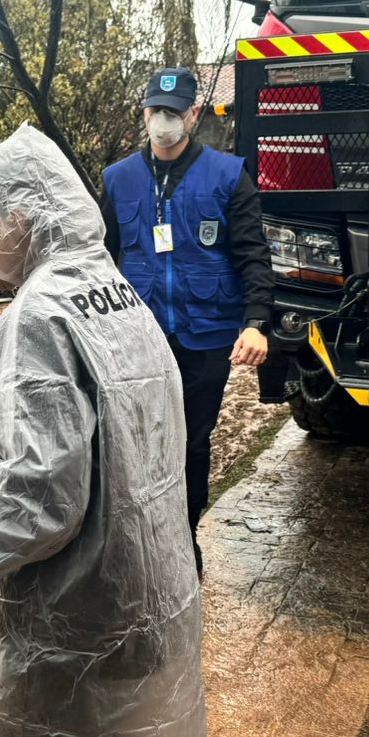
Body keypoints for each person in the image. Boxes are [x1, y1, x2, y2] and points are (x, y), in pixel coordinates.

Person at [0, 124, 205, 737]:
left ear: (23, 216)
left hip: (75, 620)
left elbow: (40, 501)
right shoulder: (117, 295)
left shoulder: (37, 321)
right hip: (150, 595)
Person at [100, 66, 274, 574]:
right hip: (140, 340)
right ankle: (138, 542)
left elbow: (252, 255)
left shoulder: (226, 175)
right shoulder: (118, 179)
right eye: (155, 111)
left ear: (193, 115)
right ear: (145, 113)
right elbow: (100, 260)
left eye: (174, 113)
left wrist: (255, 322)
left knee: (192, 441)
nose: (163, 122)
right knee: (136, 443)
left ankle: (183, 539)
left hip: (205, 340)